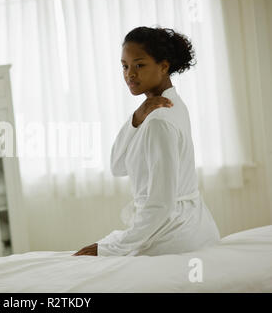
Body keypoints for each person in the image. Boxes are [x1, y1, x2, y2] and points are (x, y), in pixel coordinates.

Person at [73, 26, 220, 257]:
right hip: (187, 227)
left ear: (163, 66)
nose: (130, 74)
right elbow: (117, 166)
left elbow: (161, 204)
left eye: (139, 65)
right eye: (125, 66)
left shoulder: (160, 120)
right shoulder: (166, 109)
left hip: (174, 235)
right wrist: (135, 119)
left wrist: (109, 248)